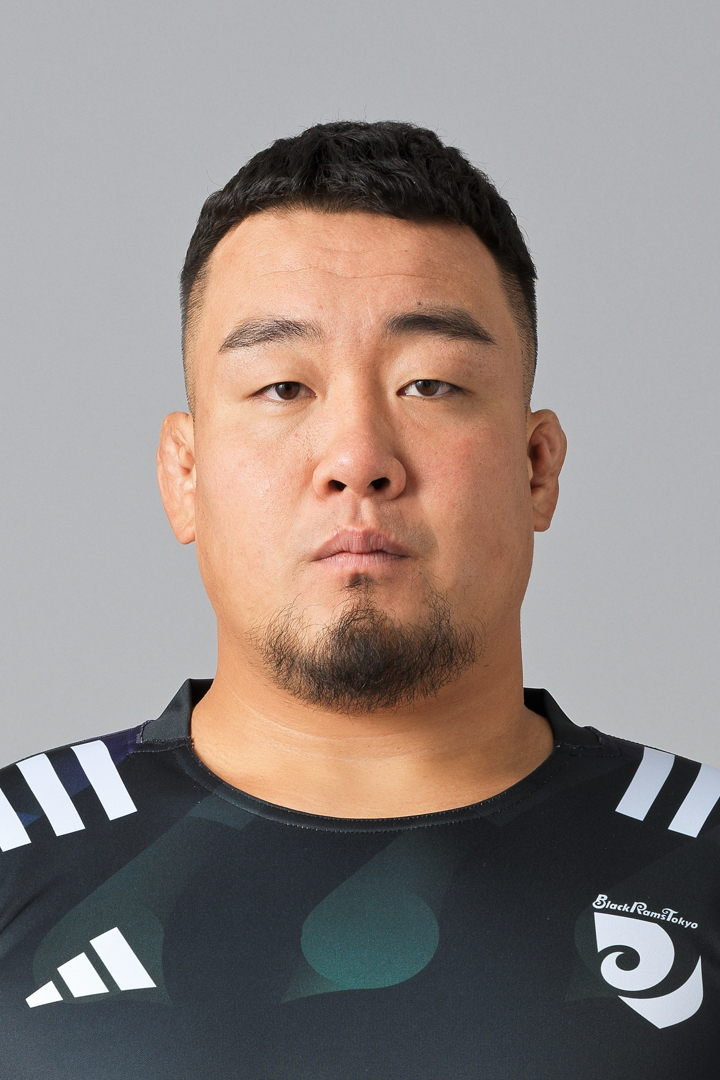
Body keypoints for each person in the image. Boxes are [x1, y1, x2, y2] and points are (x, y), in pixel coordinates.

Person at [1, 121, 718, 1080]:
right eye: (282, 387)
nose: (357, 459)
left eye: (430, 384)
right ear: (184, 473)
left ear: (537, 468)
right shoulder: (16, 854)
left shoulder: (699, 856)